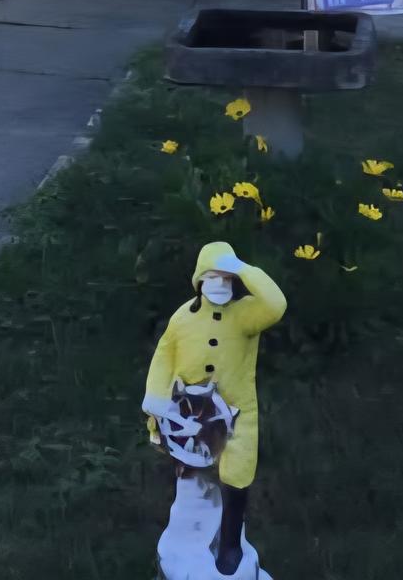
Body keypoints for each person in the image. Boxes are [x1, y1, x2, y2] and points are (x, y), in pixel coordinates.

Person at [142, 241, 287, 576]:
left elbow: (276, 304)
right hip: (185, 414)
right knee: (187, 468)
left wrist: (242, 267)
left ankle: (231, 544)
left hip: (237, 412)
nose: (219, 284)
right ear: (199, 282)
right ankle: (189, 528)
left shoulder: (247, 315)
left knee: (237, 476)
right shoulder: (182, 317)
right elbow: (164, 355)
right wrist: (157, 397)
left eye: (226, 278)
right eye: (211, 277)